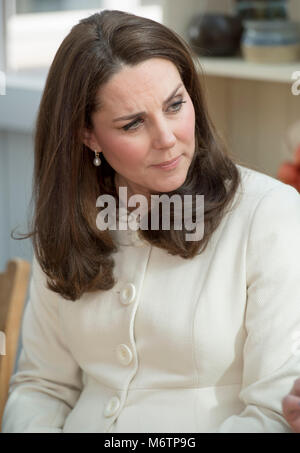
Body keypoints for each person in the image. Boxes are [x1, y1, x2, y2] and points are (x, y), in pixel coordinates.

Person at [2, 9, 300, 433]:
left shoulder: (269, 214)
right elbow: (41, 388)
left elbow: (274, 411)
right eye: (133, 123)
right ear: (89, 135)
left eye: (175, 105)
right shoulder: (70, 222)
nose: (167, 138)